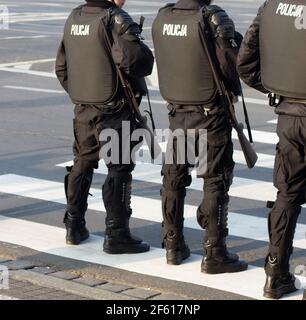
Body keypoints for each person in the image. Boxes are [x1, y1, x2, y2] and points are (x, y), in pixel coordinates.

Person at [152, 0, 248, 274]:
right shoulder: (212, 17)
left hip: (177, 111)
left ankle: (173, 245)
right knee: (215, 180)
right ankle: (214, 253)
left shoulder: (164, 16)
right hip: (210, 113)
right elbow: (232, 65)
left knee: (173, 178)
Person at [55, 0, 154, 254]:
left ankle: (73, 225)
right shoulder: (115, 18)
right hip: (115, 108)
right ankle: (117, 234)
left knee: (82, 162)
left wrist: (84, 96)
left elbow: (62, 68)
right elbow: (139, 61)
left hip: (84, 108)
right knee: (119, 169)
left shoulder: (75, 17)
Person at [237, 0, 306, 299]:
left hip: (290, 116)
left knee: (287, 195)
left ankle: (275, 275)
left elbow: (245, 62)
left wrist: (279, 91)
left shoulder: (271, 6)